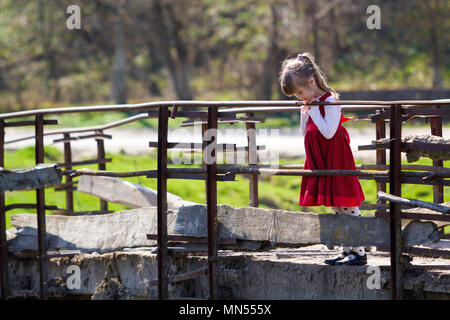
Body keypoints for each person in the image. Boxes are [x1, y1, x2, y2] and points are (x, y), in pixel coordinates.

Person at [279, 52, 367, 266]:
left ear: (311, 81)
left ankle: (361, 253)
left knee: (347, 203)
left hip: (335, 158)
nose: (300, 97)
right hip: (320, 158)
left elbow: (328, 131)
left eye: (300, 92)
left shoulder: (330, 100)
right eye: (296, 96)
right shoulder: (312, 102)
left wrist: (314, 109)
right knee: (336, 206)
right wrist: (305, 112)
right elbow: (305, 132)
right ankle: (347, 250)